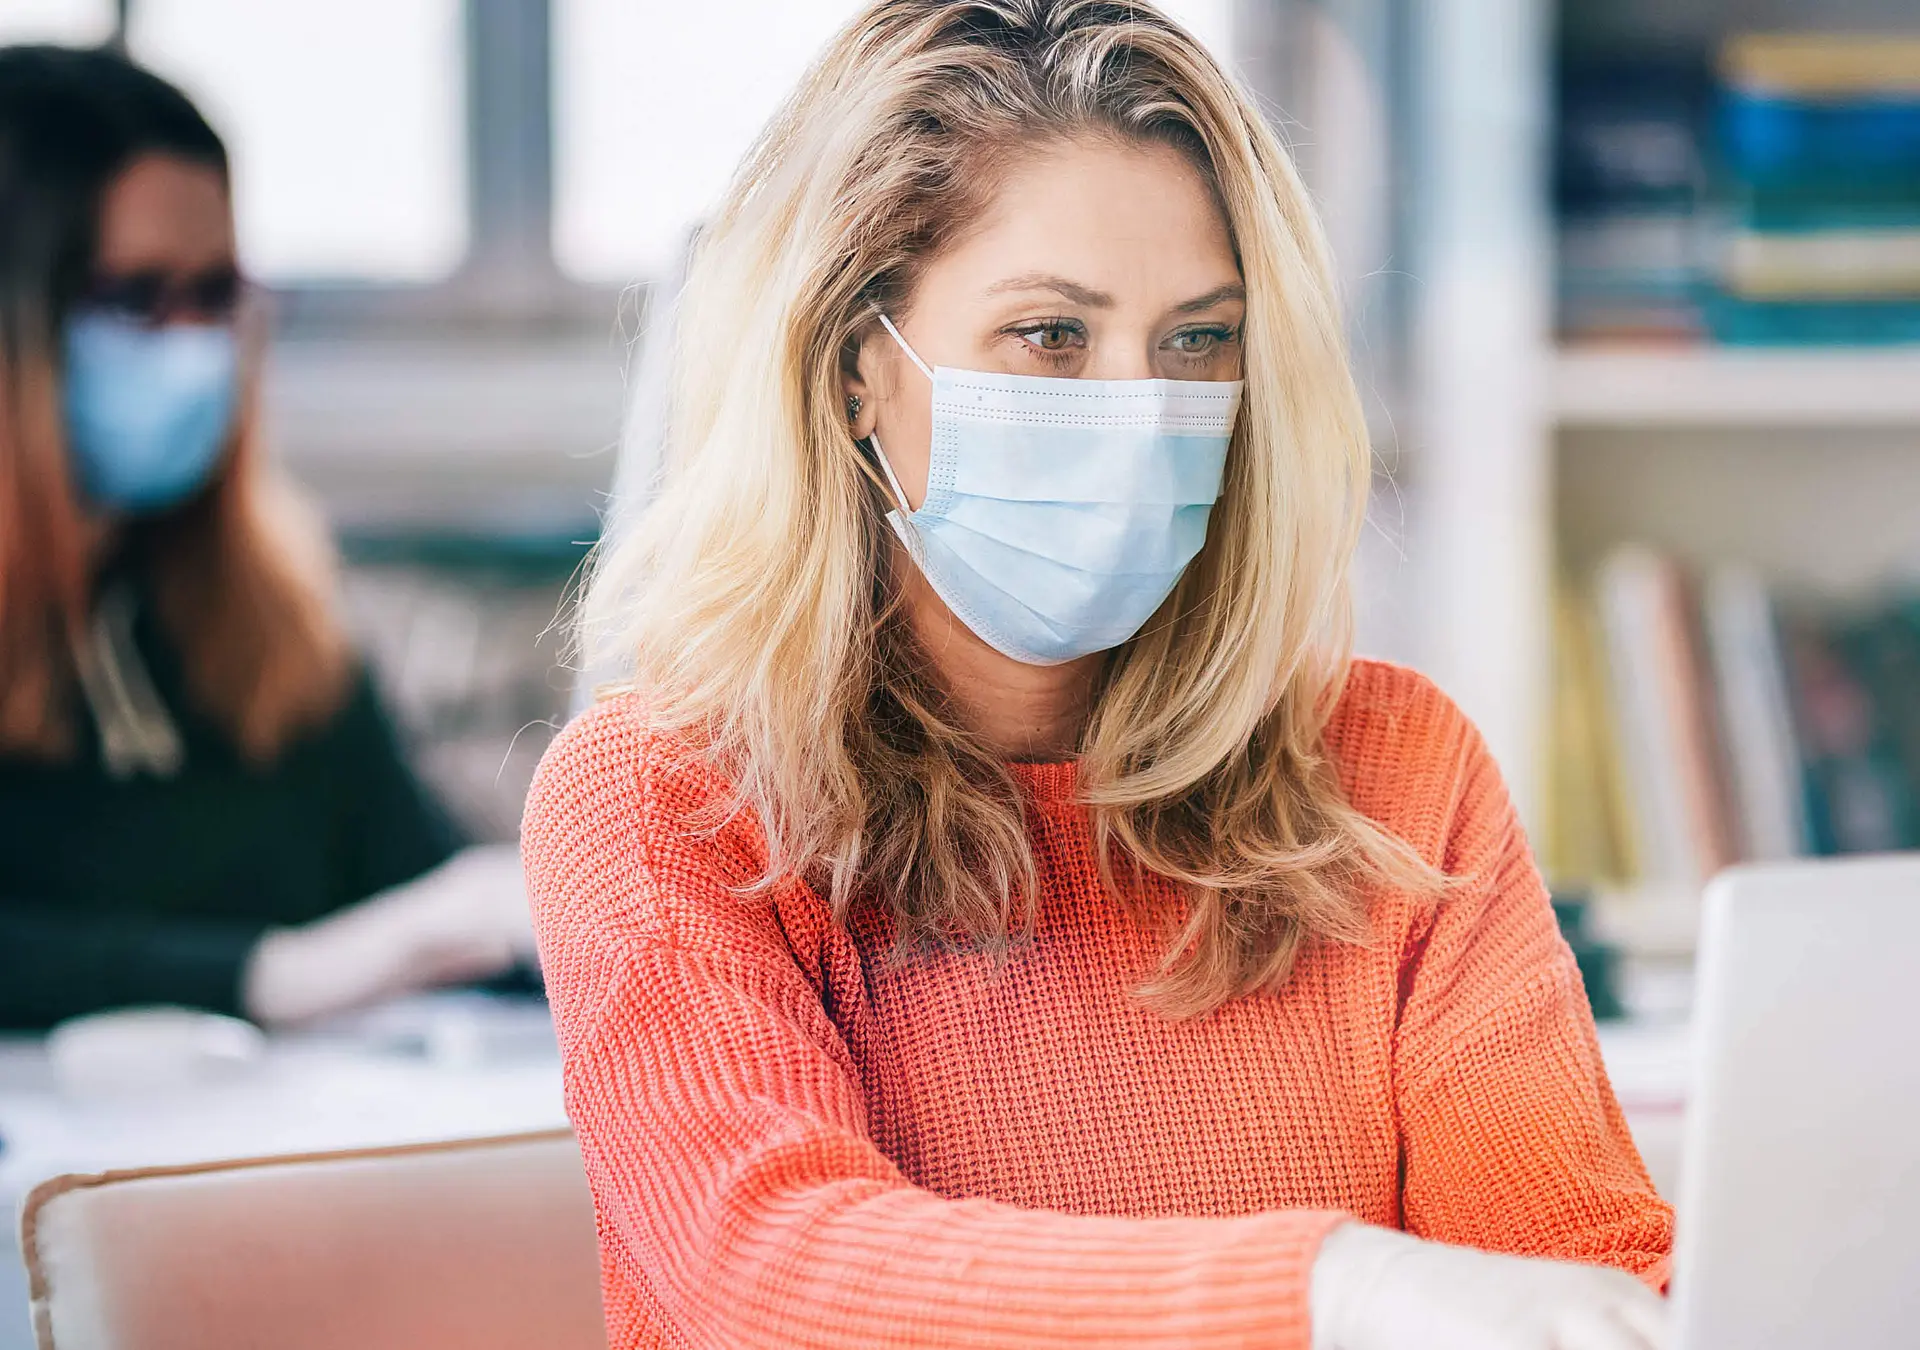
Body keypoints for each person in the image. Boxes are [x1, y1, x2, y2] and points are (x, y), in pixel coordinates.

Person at [522, 2, 1674, 1346]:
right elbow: (768, 1272)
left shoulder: (1399, 772)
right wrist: (1325, 1288)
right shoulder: (660, 802)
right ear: (855, 374)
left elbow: (1588, 1277)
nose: (1139, 409)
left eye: (1197, 341)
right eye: (1051, 336)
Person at [0, 46, 533, 1032]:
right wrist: (271, 975)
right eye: (135, 297)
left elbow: (420, 888)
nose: (191, 344)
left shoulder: (266, 620)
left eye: (214, 296)